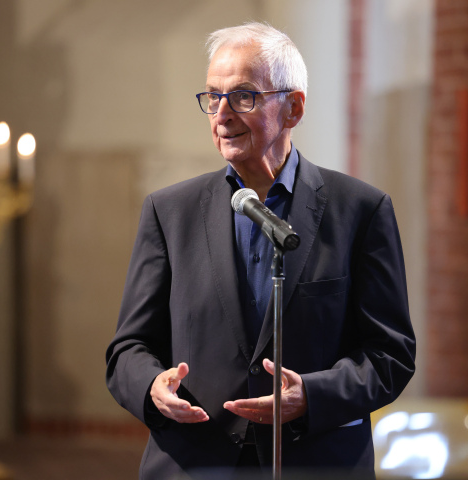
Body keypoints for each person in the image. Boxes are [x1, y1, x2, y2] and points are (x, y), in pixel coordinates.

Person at [106, 22, 415, 478]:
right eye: (213, 96)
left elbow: (391, 355)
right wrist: (152, 385)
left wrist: (312, 396)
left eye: (243, 96)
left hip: (313, 462)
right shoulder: (169, 212)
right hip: (194, 463)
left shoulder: (361, 211)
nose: (222, 114)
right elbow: (127, 349)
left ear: (293, 108)